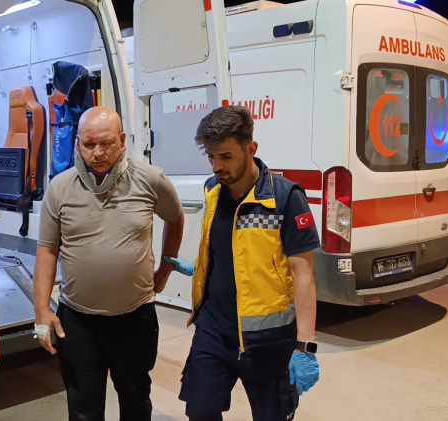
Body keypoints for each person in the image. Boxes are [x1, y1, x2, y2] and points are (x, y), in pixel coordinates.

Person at [166, 106, 321, 421]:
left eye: (226, 156)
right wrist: (198, 269)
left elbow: (303, 275)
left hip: (268, 339)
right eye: (211, 157)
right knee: (200, 411)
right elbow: (225, 248)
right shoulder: (212, 189)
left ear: (251, 149)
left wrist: (305, 346)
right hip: (213, 329)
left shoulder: (285, 198)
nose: (217, 166)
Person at [33, 106, 185, 421]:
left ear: (122, 140)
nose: (98, 153)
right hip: (79, 321)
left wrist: (166, 269)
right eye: (89, 145)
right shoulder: (60, 187)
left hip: (134, 318)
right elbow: (47, 250)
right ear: (77, 143)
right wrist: (42, 311)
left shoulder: (150, 179)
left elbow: (175, 218)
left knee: (136, 403)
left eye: (106, 143)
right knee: (83, 410)